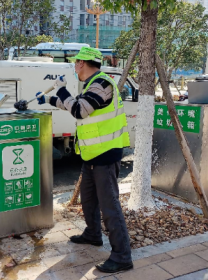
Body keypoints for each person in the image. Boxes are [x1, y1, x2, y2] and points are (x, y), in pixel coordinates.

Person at [35, 46, 133, 273]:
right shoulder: (91, 85)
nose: (74, 66)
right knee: (88, 200)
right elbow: (74, 105)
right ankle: (93, 234)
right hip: (92, 154)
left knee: (110, 206)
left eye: (76, 62)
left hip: (106, 155)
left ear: (82, 63)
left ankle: (122, 256)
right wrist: (49, 98)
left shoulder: (103, 84)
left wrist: (61, 91)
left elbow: (80, 110)